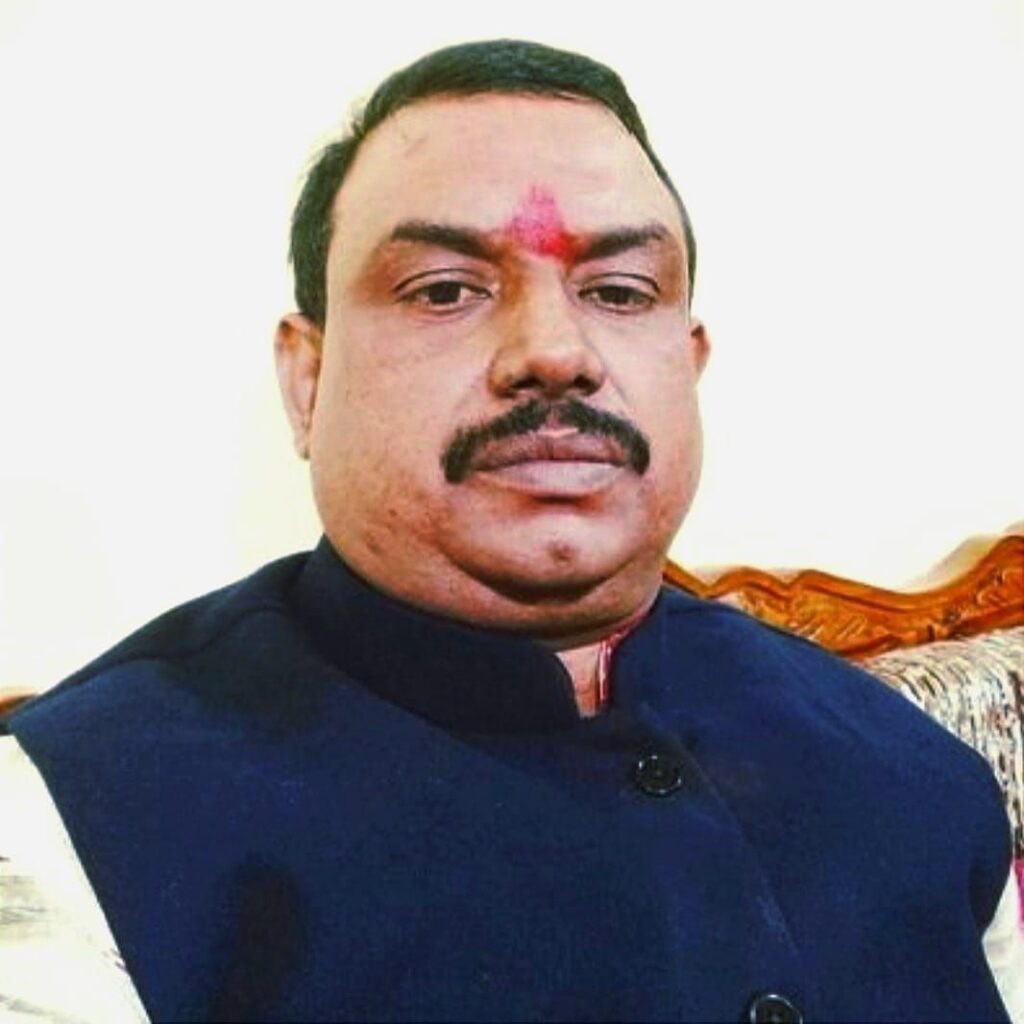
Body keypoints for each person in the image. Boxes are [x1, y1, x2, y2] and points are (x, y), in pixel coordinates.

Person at [1, 38, 1021, 1024]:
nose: (555, 352)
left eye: (619, 291)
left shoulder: (916, 770)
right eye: (445, 290)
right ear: (306, 381)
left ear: (690, 362)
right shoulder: (70, 826)